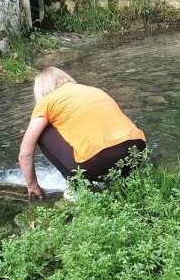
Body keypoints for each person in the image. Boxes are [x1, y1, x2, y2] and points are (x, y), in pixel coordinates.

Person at [18, 67, 146, 199]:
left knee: (40, 132)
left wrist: (32, 185)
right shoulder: (94, 90)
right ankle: (125, 179)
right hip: (137, 153)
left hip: (100, 163)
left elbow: (25, 154)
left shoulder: (46, 102)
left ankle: (77, 188)